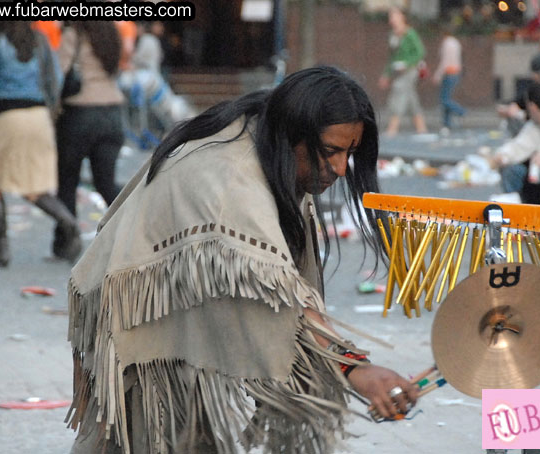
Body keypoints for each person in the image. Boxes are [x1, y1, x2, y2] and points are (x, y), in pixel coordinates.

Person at [66, 66, 419, 454]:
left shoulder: (269, 142)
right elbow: (277, 292)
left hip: (182, 300)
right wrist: (353, 367)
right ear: (292, 137)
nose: (339, 169)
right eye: (330, 151)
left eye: (349, 153)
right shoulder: (231, 178)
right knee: (139, 437)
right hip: (135, 310)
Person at [0, 21, 82, 267]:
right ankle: (69, 222)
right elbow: (56, 78)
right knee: (33, 187)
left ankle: (1, 251)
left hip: (7, 119)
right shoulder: (41, 41)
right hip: (39, 119)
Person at [52, 21, 125, 259]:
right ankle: (130, 232)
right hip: (113, 112)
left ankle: (66, 241)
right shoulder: (112, 33)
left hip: (80, 113)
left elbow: (60, 72)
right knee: (106, 183)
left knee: (67, 180)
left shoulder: (75, 33)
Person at [378, 7, 427, 137]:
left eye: (394, 16)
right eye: (390, 17)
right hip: (397, 71)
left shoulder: (409, 33)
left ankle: (392, 128)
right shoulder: (393, 35)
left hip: (410, 70)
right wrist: (386, 75)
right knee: (410, 97)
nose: (392, 19)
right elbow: (392, 57)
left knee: (399, 90)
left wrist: (408, 63)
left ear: (402, 17)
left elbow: (420, 52)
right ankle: (421, 128)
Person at [432, 26, 465, 132]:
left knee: (444, 99)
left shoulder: (447, 44)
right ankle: (446, 123)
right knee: (446, 97)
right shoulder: (456, 43)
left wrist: (437, 75)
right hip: (456, 72)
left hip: (449, 72)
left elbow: (445, 61)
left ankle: (461, 111)